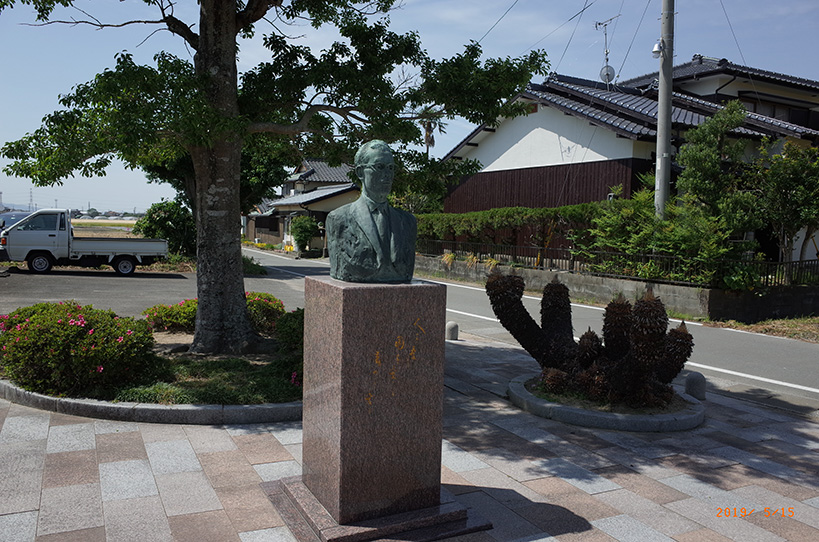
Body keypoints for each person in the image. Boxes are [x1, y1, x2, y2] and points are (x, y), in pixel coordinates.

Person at [326, 140, 416, 283]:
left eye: (391, 168)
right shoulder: (338, 219)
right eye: (379, 167)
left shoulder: (408, 221)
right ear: (360, 172)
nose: (387, 174)